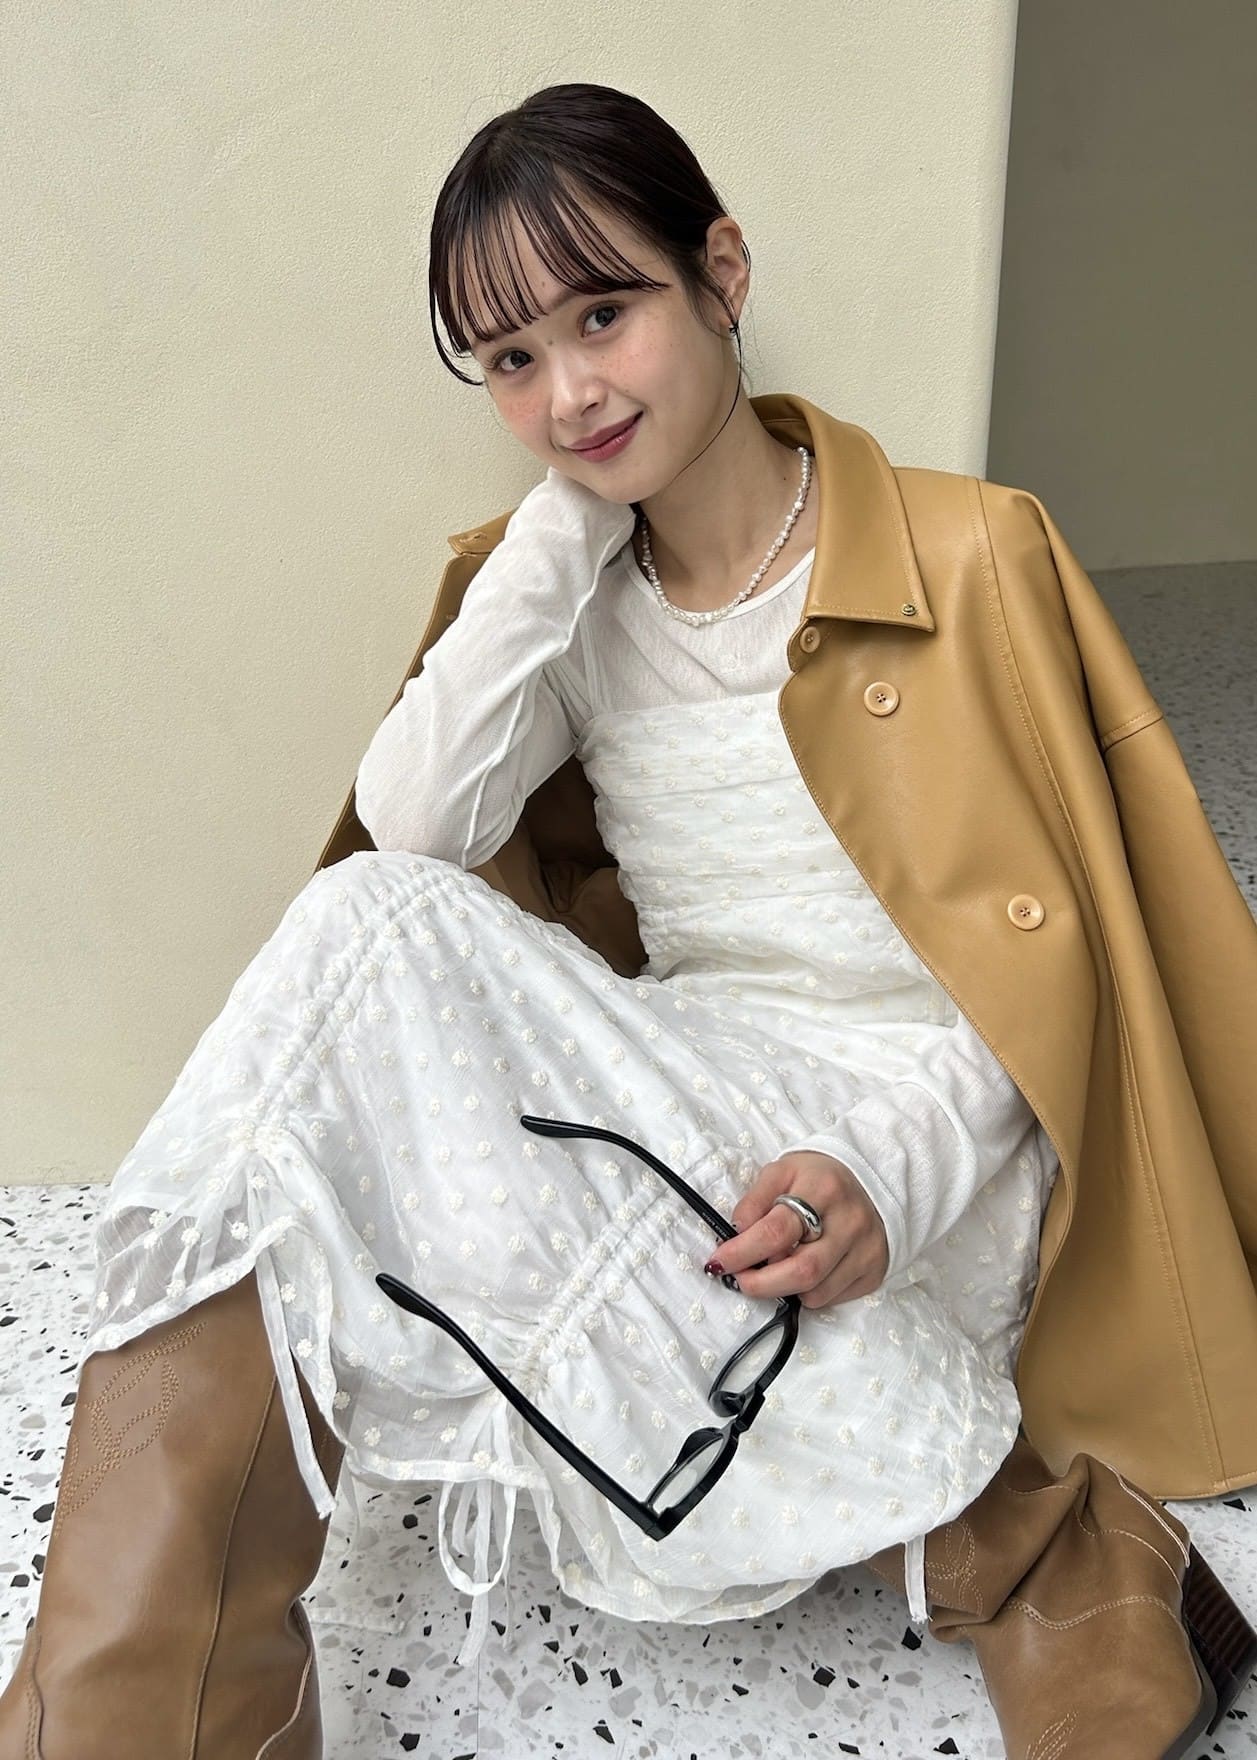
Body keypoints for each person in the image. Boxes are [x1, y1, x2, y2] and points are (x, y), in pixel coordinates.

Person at [2, 80, 1252, 1760]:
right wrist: (564, 530)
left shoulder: (965, 552)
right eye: (510, 359)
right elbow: (415, 833)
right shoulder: (562, 601)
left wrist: (885, 1173)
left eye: (604, 315)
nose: (567, 392)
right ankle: (141, 1699)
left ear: (719, 273)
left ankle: (133, 1711)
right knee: (365, 937)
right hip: (697, 1094)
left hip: (916, 1150)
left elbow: (1052, 974)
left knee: (439, 1093)